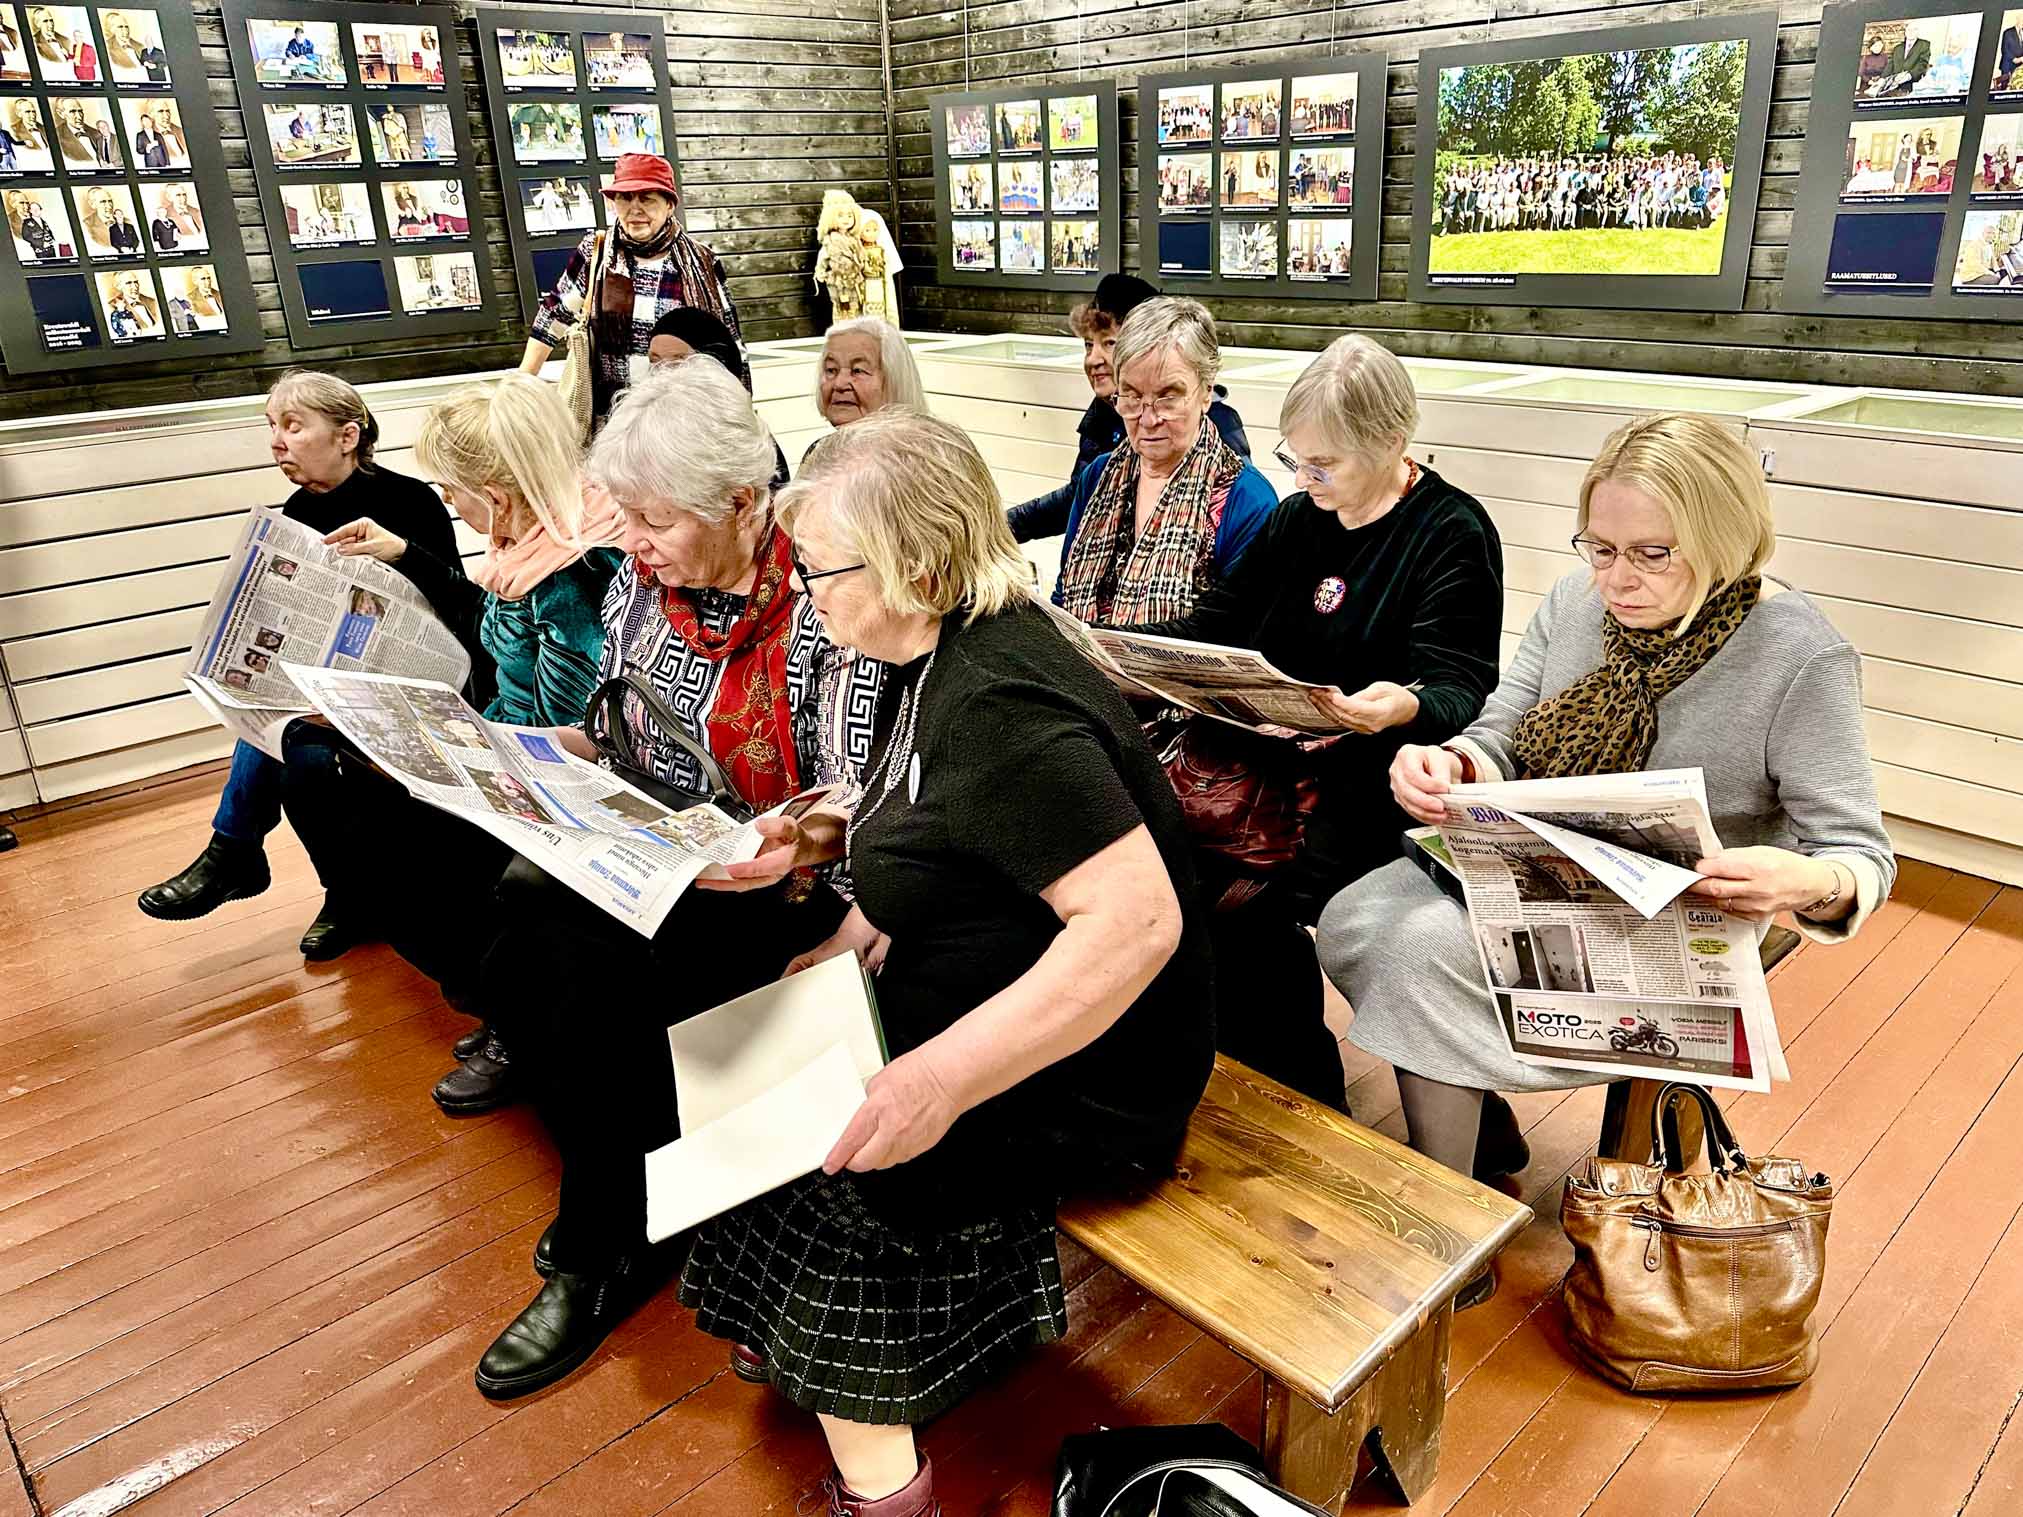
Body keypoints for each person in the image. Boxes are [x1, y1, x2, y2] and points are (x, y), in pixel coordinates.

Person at [672, 408, 1213, 1516]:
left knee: (836, 1158)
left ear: (914, 563)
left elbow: (1134, 925)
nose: (808, 591)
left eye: (822, 569)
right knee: (745, 1074)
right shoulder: (930, 648)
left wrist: (940, 1077)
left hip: (1097, 1068)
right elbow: (929, 822)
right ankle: (832, 1355)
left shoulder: (1000, 701)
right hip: (980, 984)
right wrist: (843, 906)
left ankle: (889, 1489)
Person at [1319, 413, 1897, 1304]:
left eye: (1652, 553)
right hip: (1552, 873)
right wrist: (1456, 764)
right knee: (1354, 913)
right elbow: (1502, 730)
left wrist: (1807, 880)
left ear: (1724, 538)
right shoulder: (1574, 605)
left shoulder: (1798, 655)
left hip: (1682, 922)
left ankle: (1452, 1221)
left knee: (1418, 950)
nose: (1616, 579)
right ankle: (1466, 1112)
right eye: (1599, 546)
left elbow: (1858, 853)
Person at [460, 360, 888, 1399]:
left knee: (582, 953)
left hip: (793, 888)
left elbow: (863, 794)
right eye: (629, 514)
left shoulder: (823, 589)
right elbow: (619, 730)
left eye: (656, 518)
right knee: (518, 898)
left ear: (743, 503)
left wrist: (777, 848)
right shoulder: (645, 582)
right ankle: (629, 1162)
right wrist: (522, 755)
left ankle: (598, 1243)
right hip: (666, 853)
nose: (633, 540)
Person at [1126, 335, 1504, 1114]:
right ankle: (1259, 1091)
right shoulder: (1299, 518)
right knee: (1167, 868)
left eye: (1323, 463)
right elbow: (1222, 621)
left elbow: (1461, 686)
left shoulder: (1450, 532)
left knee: (1244, 906)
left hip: (1379, 783)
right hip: (1268, 769)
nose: (1302, 478)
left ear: (1392, 443)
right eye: (1295, 457)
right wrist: (1140, 659)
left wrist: (1398, 704)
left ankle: (1305, 1111)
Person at [281, 375, 624, 1080]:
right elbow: (492, 633)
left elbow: (564, 728)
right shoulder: (531, 544)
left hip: (554, 781)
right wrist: (407, 557)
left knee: (396, 848)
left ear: (494, 494)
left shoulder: (569, 575)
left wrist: (448, 746)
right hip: (510, 749)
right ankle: (502, 1003)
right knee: (325, 765)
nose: (447, 502)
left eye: (450, 490)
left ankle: (512, 1014)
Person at [137, 373, 459, 958]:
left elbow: (450, 609)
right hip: (327, 693)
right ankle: (339, 893)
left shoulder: (410, 500)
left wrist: (403, 556)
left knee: (302, 762)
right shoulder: (295, 508)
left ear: (346, 436)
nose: (277, 442)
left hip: (409, 687)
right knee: (283, 739)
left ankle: (240, 855)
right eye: (272, 428)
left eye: (292, 425)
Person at [1049, 296, 1276, 627]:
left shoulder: (1245, 500)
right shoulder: (1098, 477)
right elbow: (1063, 597)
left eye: (1168, 397)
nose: (1148, 418)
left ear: (1206, 392)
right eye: (1132, 396)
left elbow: (1239, 633)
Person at [1008, 274, 1250, 544]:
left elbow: (1232, 515)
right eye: (1089, 344)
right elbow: (1080, 497)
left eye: (1109, 343)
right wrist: (1003, 526)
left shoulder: (1216, 427)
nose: (1093, 359)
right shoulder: (1102, 415)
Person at [524, 153, 741, 432]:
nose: (634, 209)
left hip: (681, 421)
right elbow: (554, 316)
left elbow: (730, 344)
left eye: (647, 198)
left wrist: (738, 415)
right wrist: (521, 383)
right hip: (610, 420)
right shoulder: (596, 253)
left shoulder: (701, 261)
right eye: (625, 198)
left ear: (669, 205)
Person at [647, 305, 789, 486]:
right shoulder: (644, 432)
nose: (663, 375)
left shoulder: (747, 443)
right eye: (655, 362)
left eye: (677, 363)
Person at [815, 315, 924, 429]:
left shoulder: (916, 446)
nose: (839, 384)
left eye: (857, 370)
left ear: (896, 381)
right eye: (831, 370)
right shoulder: (823, 446)